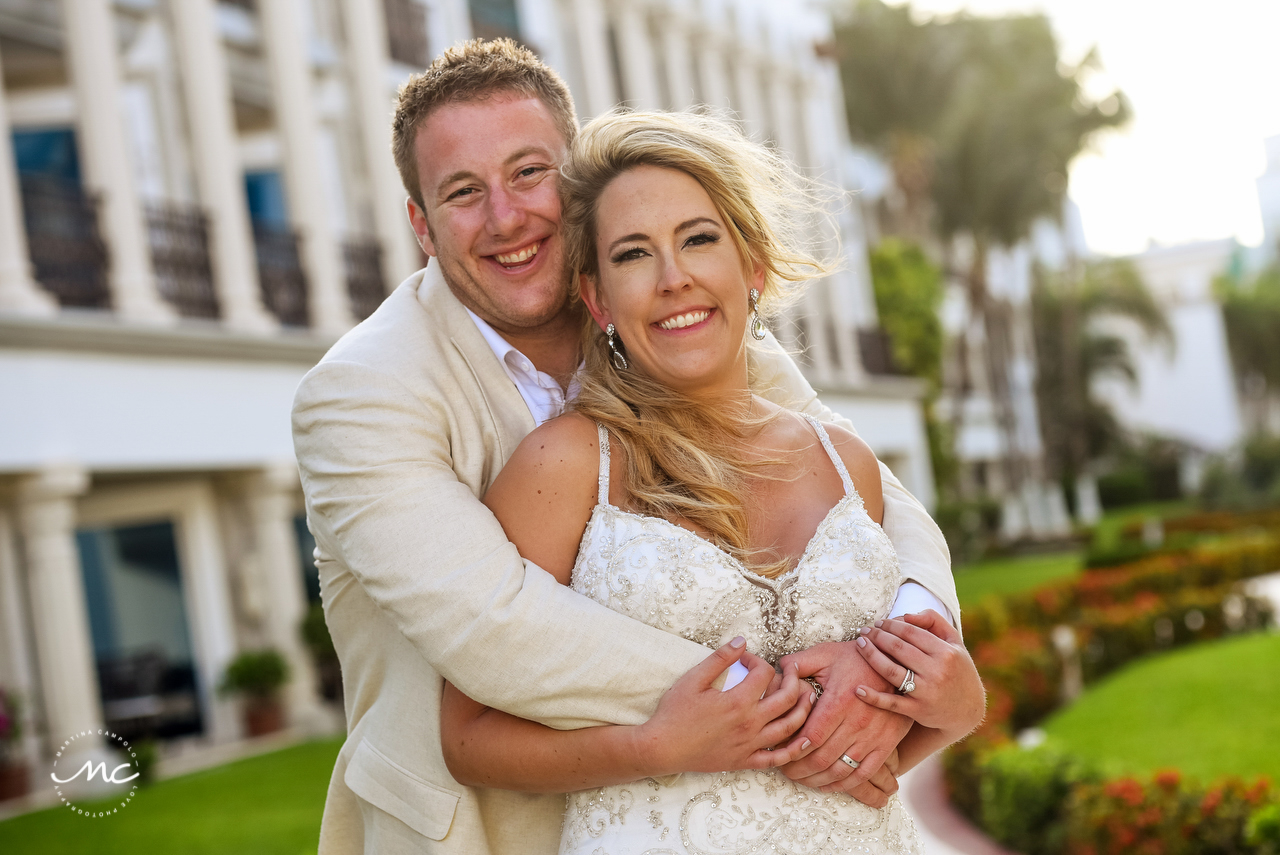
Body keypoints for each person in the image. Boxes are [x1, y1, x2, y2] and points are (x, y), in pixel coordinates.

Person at [291, 39, 960, 855]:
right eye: (464, 192)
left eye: (530, 173)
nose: (507, 217)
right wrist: (810, 698)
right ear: (421, 227)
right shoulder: (360, 393)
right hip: (484, 825)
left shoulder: (676, 320)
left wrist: (908, 645)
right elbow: (498, 628)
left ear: (573, 184)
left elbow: (875, 498)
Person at [436, 109, 985, 855]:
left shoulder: (845, 460)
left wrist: (952, 706)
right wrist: (654, 747)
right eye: (633, 254)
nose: (674, 278)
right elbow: (468, 736)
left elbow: (859, 759)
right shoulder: (566, 466)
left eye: (698, 238)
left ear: (751, 266)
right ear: (597, 299)